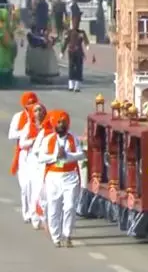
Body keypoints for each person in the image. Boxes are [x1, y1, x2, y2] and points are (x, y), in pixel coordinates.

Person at [38, 111, 85, 247]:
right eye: (58, 122)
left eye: (63, 122)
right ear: (54, 124)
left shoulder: (73, 139)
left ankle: (67, 235)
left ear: (67, 124)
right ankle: (56, 237)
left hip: (70, 175)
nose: (61, 125)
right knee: (54, 207)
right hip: (53, 176)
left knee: (69, 206)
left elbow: (81, 155)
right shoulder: (48, 140)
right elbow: (41, 157)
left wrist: (67, 155)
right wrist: (55, 156)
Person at [8, 91, 39, 222]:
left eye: (33, 103)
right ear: (24, 104)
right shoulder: (18, 117)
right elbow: (11, 135)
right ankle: (26, 212)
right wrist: (26, 132)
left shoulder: (40, 116)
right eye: (29, 103)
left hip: (37, 155)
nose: (31, 106)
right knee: (25, 186)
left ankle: (34, 213)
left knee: (34, 186)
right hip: (23, 153)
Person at [30, 110, 56, 230]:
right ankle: (38, 217)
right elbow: (36, 150)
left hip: (57, 170)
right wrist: (49, 155)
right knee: (40, 194)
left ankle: (50, 221)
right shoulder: (44, 133)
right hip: (42, 168)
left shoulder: (66, 135)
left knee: (53, 196)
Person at [61, 13, 89, 92]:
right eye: (74, 23)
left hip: (79, 53)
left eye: (77, 23)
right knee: (71, 68)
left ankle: (77, 86)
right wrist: (62, 52)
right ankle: (71, 85)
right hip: (71, 52)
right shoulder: (69, 32)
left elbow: (86, 40)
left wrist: (87, 45)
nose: (75, 24)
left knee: (79, 69)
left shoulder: (81, 32)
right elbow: (66, 42)